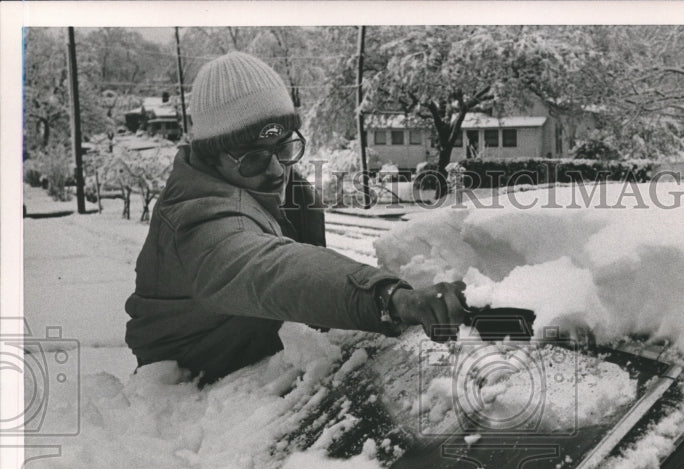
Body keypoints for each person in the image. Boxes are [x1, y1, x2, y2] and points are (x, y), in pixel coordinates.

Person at [125, 51, 466, 384]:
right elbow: (272, 270)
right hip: (192, 387)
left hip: (252, 351)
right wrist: (390, 298)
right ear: (213, 158)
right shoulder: (197, 216)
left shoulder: (288, 191)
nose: (276, 170)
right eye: (254, 158)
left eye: (283, 148)